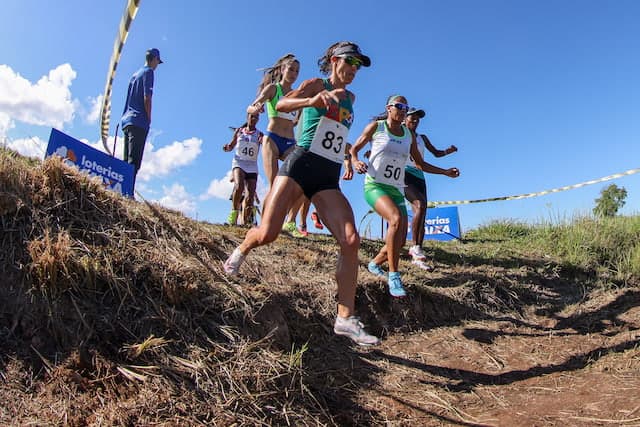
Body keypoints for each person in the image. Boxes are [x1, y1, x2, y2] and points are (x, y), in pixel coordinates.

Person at [223, 41, 379, 346]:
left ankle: (345, 318)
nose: (353, 70)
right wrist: (311, 102)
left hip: (327, 176)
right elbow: (281, 106)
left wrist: (350, 159)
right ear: (335, 60)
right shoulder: (314, 84)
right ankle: (238, 253)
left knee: (350, 239)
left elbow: (339, 136)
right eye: (350, 63)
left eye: (358, 66)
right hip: (300, 163)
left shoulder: (351, 98)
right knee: (268, 232)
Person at [350, 95, 460, 298]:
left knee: (399, 242)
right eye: (399, 106)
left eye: (405, 107)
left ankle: (374, 263)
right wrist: (355, 162)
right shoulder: (376, 127)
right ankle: (394, 275)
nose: (402, 110)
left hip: (396, 188)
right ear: (389, 108)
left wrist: (444, 172)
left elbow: (421, 165)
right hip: (375, 185)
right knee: (396, 219)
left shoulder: (408, 136)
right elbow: (354, 149)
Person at [247, 54, 304, 236]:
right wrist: (255, 108)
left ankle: (290, 222)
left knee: (303, 182)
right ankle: (265, 225)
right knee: (274, 186)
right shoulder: (273, 89)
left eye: (297, 71)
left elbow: (296, 121)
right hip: (272, 139)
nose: (294, 73)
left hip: (290, 143)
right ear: (282, 70)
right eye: (291, 69)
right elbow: (251, 106)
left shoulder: (297, 95)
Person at [404, 107, 458, 269]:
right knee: (419, 205)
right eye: (412, 118)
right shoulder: (400, 133)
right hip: (403, 173)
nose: (415, 121)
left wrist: (449, 151)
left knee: (421, 211)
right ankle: (413, 247)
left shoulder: (422, 138)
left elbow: (436, 153)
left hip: (420, 175)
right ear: (404, 119)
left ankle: (418, 251)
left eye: (417, 119)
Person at [120, 48, 163, 190]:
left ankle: (123, 189)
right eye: (158, 61)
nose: (157, 65)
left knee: (126, 160)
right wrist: (149, 117)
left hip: (127, 120)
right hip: (139, 120)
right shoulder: (149, 72)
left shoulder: (135, 75)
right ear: (154, 59)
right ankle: (127, 192)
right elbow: (147, 98)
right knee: (134, 161)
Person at [223, 112, 263, 226]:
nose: (254, 119)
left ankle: (245, 222)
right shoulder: (240, 131)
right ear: (247, 117)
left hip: (252, 166)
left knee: (250, 196)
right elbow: (231, 145)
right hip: (239, 163)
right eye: (252, 117)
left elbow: (265, 145)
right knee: (239, 186)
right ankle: (234, 214)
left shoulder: (259, 134)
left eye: (256, 117)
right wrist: (227, 148)